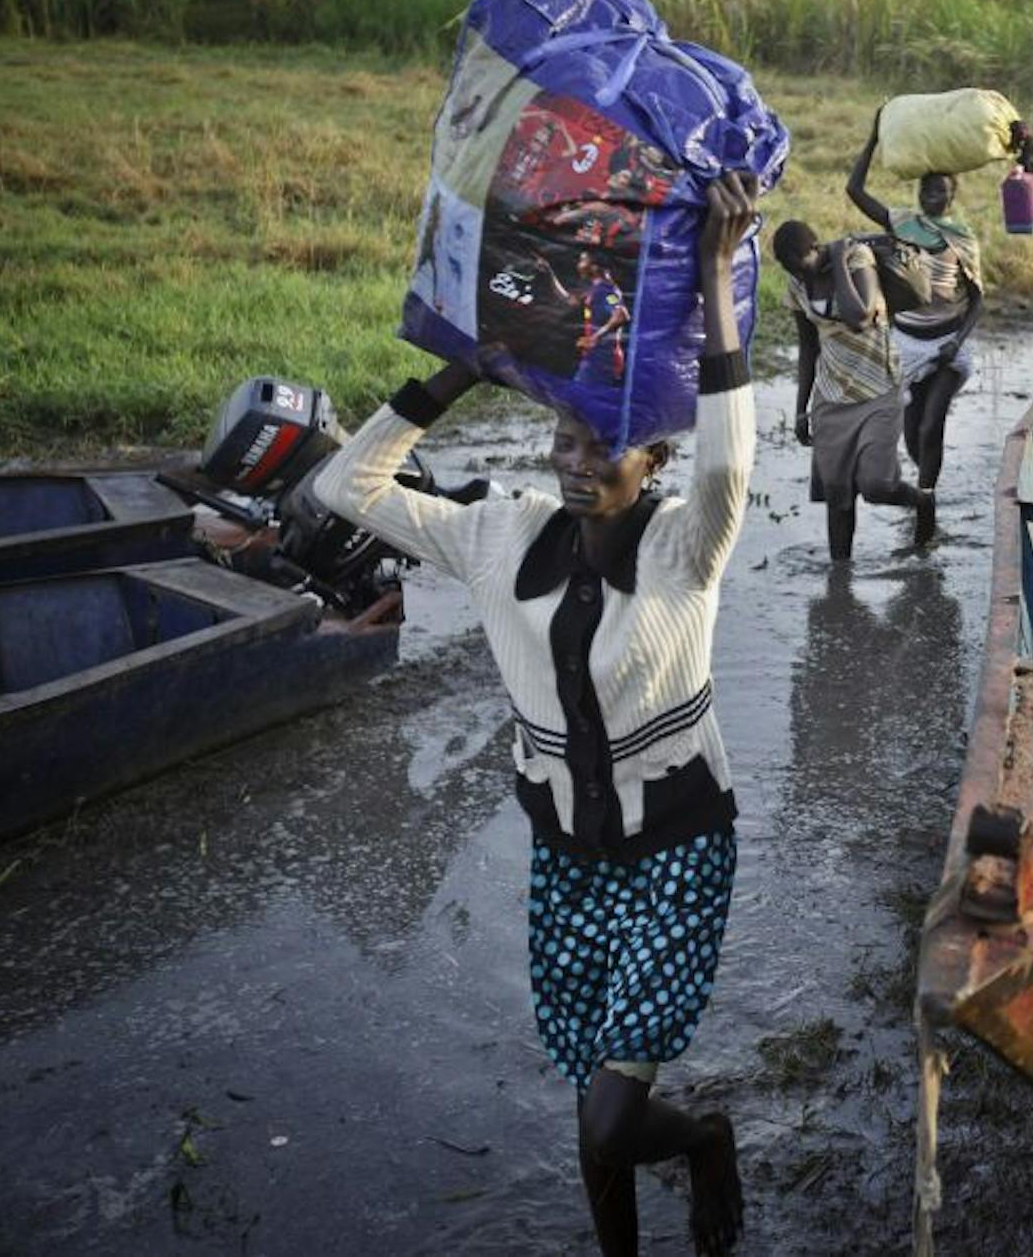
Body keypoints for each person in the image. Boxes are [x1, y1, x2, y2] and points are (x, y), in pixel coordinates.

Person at [312, 173, 762, 1257]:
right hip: (566, 853)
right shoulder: (498, 534)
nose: (574, 460)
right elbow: (346, 485)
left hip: (678, 847)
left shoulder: (684, 548)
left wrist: (713, 275)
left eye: (601, 444)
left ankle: (704, 1138)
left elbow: (730, 457)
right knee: (587, 1094)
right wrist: (466, 362)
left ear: (651, 462)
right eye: (561, 437)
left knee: (616, 1108)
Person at [846, 110, 991, 509]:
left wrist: (957, 342)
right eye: (926, 190)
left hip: (948, 341)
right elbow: (855, 190)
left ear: (952, 195)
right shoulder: (903, 223)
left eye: (939, 191)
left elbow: (977, 300)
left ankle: (927, 499)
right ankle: (924, 494)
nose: (931, 196)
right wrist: (873, 140)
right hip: (906, 341)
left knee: (931, 426)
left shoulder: (963, 239)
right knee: (911, 432)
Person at [773, 220, 940, 558]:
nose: (799, 276)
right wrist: (801, 408)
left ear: (816, 248)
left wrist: (838, 260)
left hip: (879, 387)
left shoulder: (857, 259)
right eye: (790, 269)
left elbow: (859, 316)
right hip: (831, 396)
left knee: (877, 485)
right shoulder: (797, 283)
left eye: (801, 265)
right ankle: (839, 580)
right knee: (838, 496)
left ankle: (922, 500)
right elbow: (808, 348)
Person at [545, 251, 632, 388]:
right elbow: (569, 300)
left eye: (583, 261)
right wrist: (548, 273)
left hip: (605, 359)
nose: (578, 265)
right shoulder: (595, 289)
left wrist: (594, 338)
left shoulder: (607, 290)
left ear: (594, 267)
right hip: (595, 356)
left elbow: (622, 315)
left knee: (581, 397)